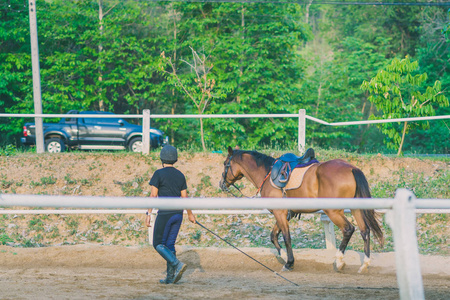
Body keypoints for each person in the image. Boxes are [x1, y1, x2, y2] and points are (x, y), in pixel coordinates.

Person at [145, 145, 196, 284]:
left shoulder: (158, 174)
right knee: (169, 244)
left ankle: (177, 264)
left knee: (157, 244)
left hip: (165, 213)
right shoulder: (180, 175)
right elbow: (185, 198)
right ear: (175, 159)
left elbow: (153, 195)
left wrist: (148, 213)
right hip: (178, 214)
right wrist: (190, 215)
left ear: (162, 158)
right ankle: (170, 277)